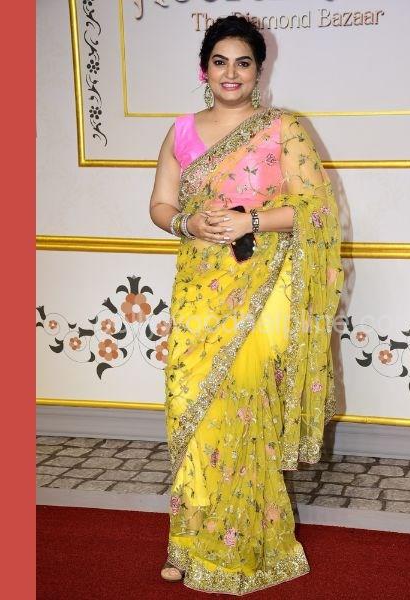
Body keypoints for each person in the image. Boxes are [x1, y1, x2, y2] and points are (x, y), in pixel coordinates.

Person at [148, 15, 344, 595]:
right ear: (203, 69)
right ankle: (188, 542)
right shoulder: (181, 131)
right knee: (191, 408)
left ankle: (249, 544)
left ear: (259, 70)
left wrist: (248, 220)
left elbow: (316, 208)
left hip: (263, 287)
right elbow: (160, 204)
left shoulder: (284, 129)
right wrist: (186, 223)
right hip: (199, 285)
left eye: (243, 63)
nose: (230, 73)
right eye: (220, 62)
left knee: (243, 409)